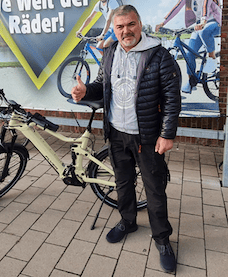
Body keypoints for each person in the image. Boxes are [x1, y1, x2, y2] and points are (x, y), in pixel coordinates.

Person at [72, 5, 181, 274]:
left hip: (146, 137)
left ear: (139, 24)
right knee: (123, 183)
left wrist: (167, 134)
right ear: (114, 29)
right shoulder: (109, 53)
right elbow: (102, 86)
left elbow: (172, 99)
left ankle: (163, 240)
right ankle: (128, 221)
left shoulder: (159, 56)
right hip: (116, 133)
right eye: (119, 27)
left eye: (130, 24)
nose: (125, 31)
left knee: (154, 189)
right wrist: (86, 91)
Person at [155, 0, 221, 93]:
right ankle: (191, 81)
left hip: (216, 21)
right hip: (200, 24)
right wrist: (163, 23)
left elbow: (205, 7)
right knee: (189, 52)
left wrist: (203, 21)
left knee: (204, 31)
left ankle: (212, 59)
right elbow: (176, 8)